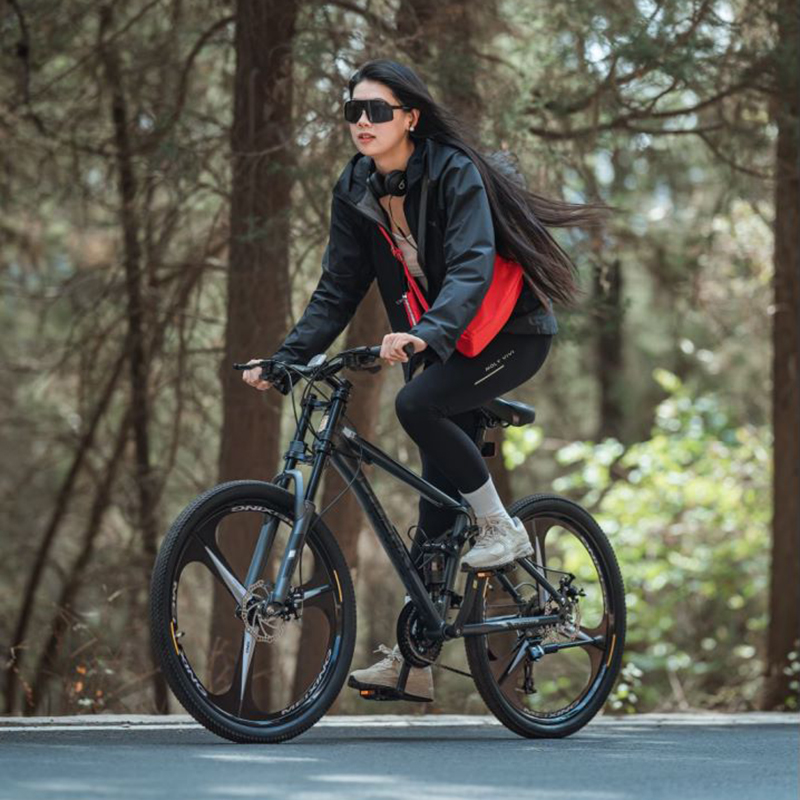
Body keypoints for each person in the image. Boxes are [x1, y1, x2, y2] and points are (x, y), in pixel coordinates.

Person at [242, 59, 609, 702]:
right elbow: (337, 288)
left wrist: (426, 334)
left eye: (377, 110)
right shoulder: (356, 186)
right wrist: (284, 357)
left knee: (417, 404)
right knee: (434, 506)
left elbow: (470, 268)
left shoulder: (452, 171)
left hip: (508, 337)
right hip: (439, 341)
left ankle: (502, 529)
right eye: (353, 110)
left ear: (410, 117)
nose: (362, 121)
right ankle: (415, 660)